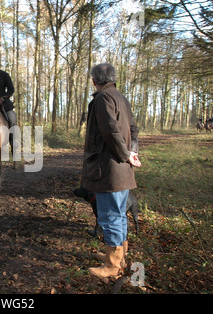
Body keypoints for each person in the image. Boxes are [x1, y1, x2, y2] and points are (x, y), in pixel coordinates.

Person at [81, 63, 141, 279]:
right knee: (119, 215)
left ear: (95, 80)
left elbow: (110, 131)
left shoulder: (102, 98)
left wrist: (126, 155)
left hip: (108, 169)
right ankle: (118, 256)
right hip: (120, 168)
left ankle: (113, 266)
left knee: (110, 216)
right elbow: (133, 129)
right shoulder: (121, 97)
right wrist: (132, 153)